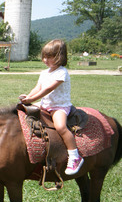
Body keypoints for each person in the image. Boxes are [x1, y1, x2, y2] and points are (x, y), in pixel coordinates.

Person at [19, 39, 83, 175]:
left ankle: (74, 156)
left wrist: (32, 99)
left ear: (60, 57)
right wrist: (27, 98)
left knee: (60, 127)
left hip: (59, 106)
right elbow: (38, 87)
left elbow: (48, 89)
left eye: (49, 57)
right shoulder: (44, 73)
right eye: (44, 56)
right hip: (45, 104)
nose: (45, 60)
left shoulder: (61, 72)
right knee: (22, 112)